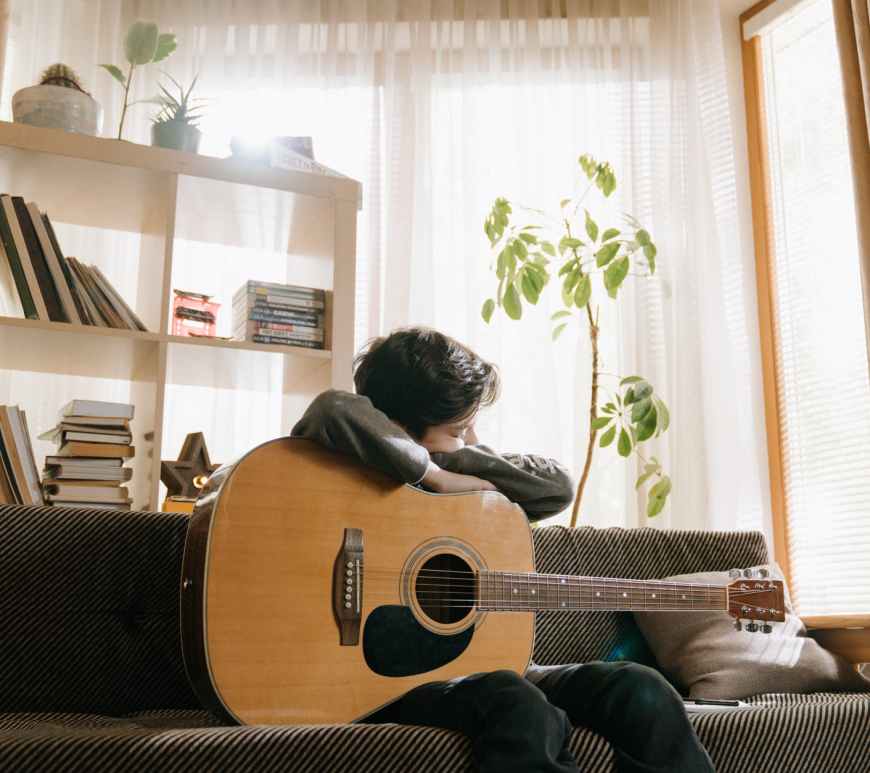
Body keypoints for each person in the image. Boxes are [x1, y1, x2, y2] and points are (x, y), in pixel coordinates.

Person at [291, 327, 714, 773]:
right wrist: (433, 475)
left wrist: (450, 456)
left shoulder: (465, 481)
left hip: (486, 671)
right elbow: (333, 406)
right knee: (520, 705)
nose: (473, 438)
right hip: (383, 681)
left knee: (639, 687)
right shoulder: (349, 461)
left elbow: (557, 485)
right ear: (400, 426)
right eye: (460, 428)